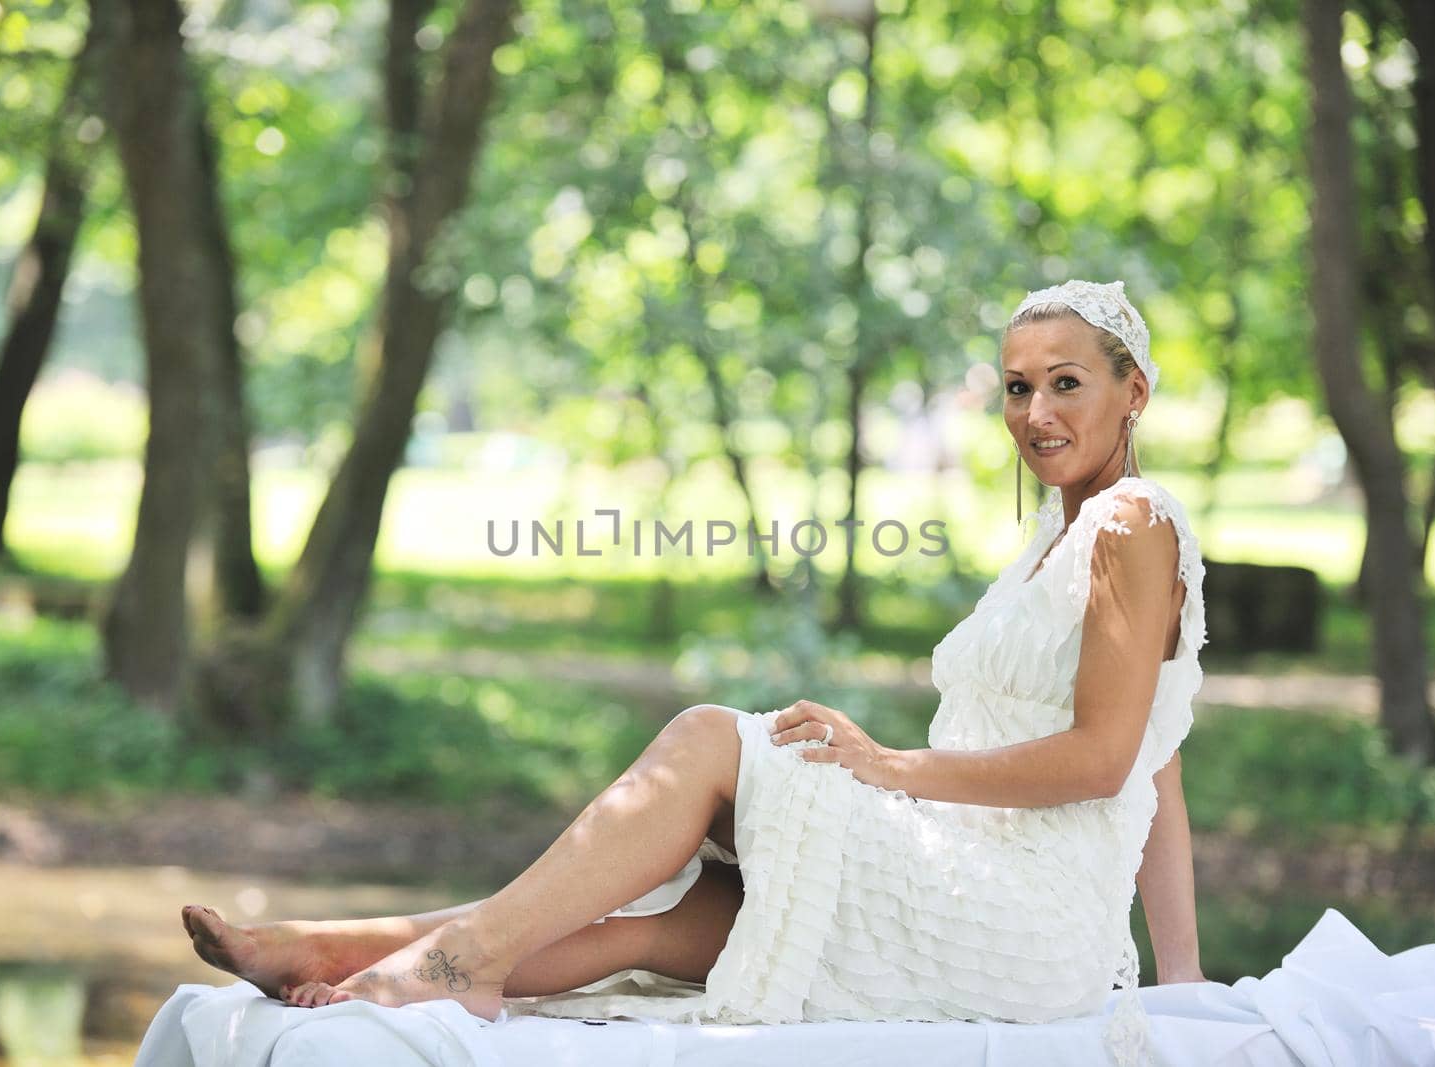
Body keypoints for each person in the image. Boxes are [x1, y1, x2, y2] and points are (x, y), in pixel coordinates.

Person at [180, 278, 1208, 1067]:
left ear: (1134, 391)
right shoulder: (1055, 539)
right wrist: (1185, 978)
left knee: (713, 736)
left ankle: (436, 966)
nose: (1036, 411)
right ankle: (344, 952)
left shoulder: (1131, 522)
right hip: (977, 876)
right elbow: (1162, 759)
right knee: (681, 922)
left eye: (1066, 382)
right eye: (1019, 386)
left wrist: (888, 767)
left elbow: (1104, 757)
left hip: (1016, 916)